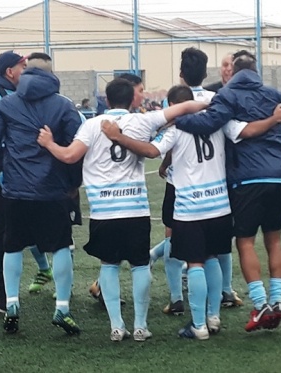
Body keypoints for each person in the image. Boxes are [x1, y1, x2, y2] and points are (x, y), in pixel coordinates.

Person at [101, 84, 281, 339]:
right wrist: (274, 119)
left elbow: (151, 150)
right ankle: (213, 317)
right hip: (219, 205)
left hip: (191, 208)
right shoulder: (219, 123)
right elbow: (248, 130)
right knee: (212, 258)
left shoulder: (177, 128)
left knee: (195, 263)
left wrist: (119, 137)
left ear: (172, 106)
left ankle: (198, 325)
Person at [38, 78, 208, 342]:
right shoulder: (143, 121)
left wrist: (48, 143)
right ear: (132, 100)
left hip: (104, 212)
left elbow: (70, 156)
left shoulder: (91, 125)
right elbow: (184, 107)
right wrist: (215, 100)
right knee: (140, 266)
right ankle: (140, 325)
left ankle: (116, 326)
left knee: (109, 265)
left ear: (106, 101)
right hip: (135, 209)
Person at [174, 50, 281, 332]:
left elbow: (208, 123)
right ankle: (277, 301)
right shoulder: (274, 94)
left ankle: (260, 303)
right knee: (274, 241)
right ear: (256, 71)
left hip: (248, 179)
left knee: (245, 242)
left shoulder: (228, 96)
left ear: (234, 72)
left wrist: (175, 119)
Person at [0, 63, 83, 335]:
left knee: (12, 246)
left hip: (15, 188)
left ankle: (12, 304)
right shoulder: (64, 105)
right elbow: (75, 145)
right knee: (60, 246)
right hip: (52, 189)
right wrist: (74, 183)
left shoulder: (7, 104)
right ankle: (63, 308)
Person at [151, 47, 242, 317]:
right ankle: (225, 291)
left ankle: (177, 297)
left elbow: (172, 136)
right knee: (217, 243)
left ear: (181, 74)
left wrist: (166, 164)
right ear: (206, 73)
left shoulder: (177, 102)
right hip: (215, 182)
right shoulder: (216, 99)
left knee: (173, 235)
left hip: (182, 183)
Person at [0, 51, 54, 313]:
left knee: (17, 226)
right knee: (4, 226)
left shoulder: (13, 95)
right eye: (23, 67)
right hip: (0, 170)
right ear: (10, 71)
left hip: (13, 170)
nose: (28, 72)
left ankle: (33, 274)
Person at [88, 73, 145, 305]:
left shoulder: (95, 124)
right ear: (130, 95)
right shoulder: (141, 121)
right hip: (127, 203)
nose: (143, 95)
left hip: (106, 204)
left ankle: (102, 288)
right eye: (140, 90)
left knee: (113, 257)